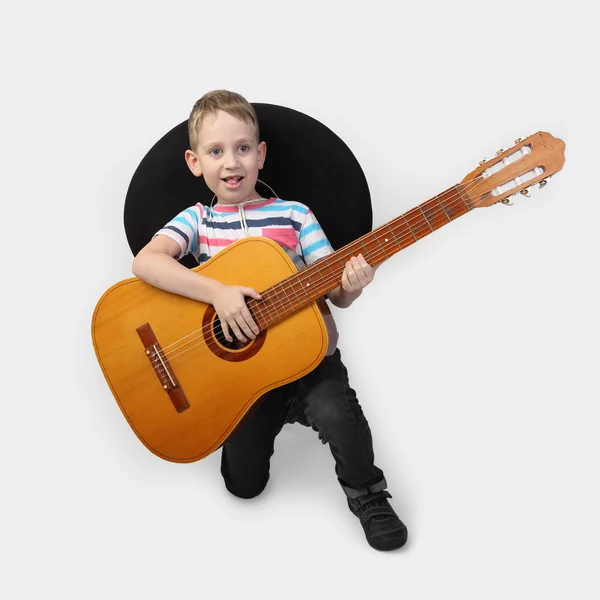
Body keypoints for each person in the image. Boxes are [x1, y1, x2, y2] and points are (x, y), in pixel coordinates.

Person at [131, 89, 408, 551]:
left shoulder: (294, 215)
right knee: (243, 485)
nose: (230, 162)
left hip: (307, 357)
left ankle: (368, 494)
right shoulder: (197, 220)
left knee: (337, 413)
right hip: (244, 376)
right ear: (194, 162)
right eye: (215, 152)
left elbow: (336, 295)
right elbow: (146, 263)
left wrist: (353, 283)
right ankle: (281, 410)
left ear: (260, 155)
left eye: (242, 148)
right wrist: (217, 293)